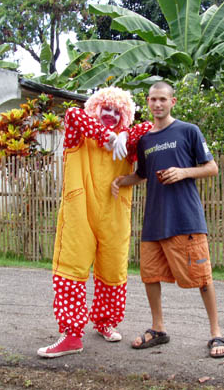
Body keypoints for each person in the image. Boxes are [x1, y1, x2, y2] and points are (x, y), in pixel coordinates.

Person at [111, 81, 224, 358]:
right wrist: (120, 180)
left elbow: (211, 168)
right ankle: (158, 329)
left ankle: (216, 333)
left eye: (162, 99)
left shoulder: (188, 131)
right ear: (147, 102)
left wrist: (183, 172)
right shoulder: (145, 140)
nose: (157, 104)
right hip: (154, 221)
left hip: (185, 218)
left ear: (172, 101)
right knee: (150, 276)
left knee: (202, 277)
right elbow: (142, 174)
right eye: (152, 100)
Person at [37, 87, 152, 358]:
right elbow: (72, 113)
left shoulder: (128, 144)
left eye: (117, 111)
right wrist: (106, 136)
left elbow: (148, 127)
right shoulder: (80, 132)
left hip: (115, 212)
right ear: (96, 108)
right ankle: (71, 335)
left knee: (113, 270)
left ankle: (106, 322)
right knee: (70, 268)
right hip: (80, 211)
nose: (110, 115)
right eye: (105, 109)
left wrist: (125, 134)